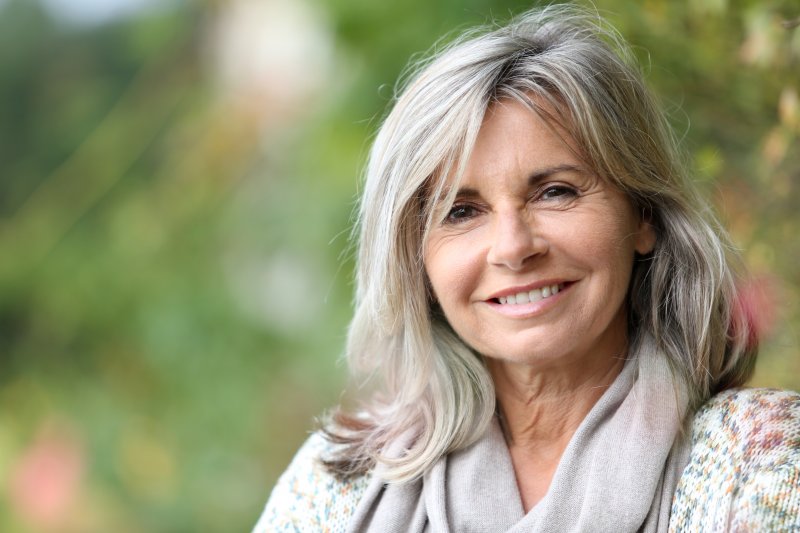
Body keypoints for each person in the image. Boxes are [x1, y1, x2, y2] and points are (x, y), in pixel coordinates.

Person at [254, 5, 800, 532]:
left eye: (555, 192)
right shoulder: (334, 485)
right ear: (415, 260)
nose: (513, 248)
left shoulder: (766, 461)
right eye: (461, 211)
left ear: (643, 215)